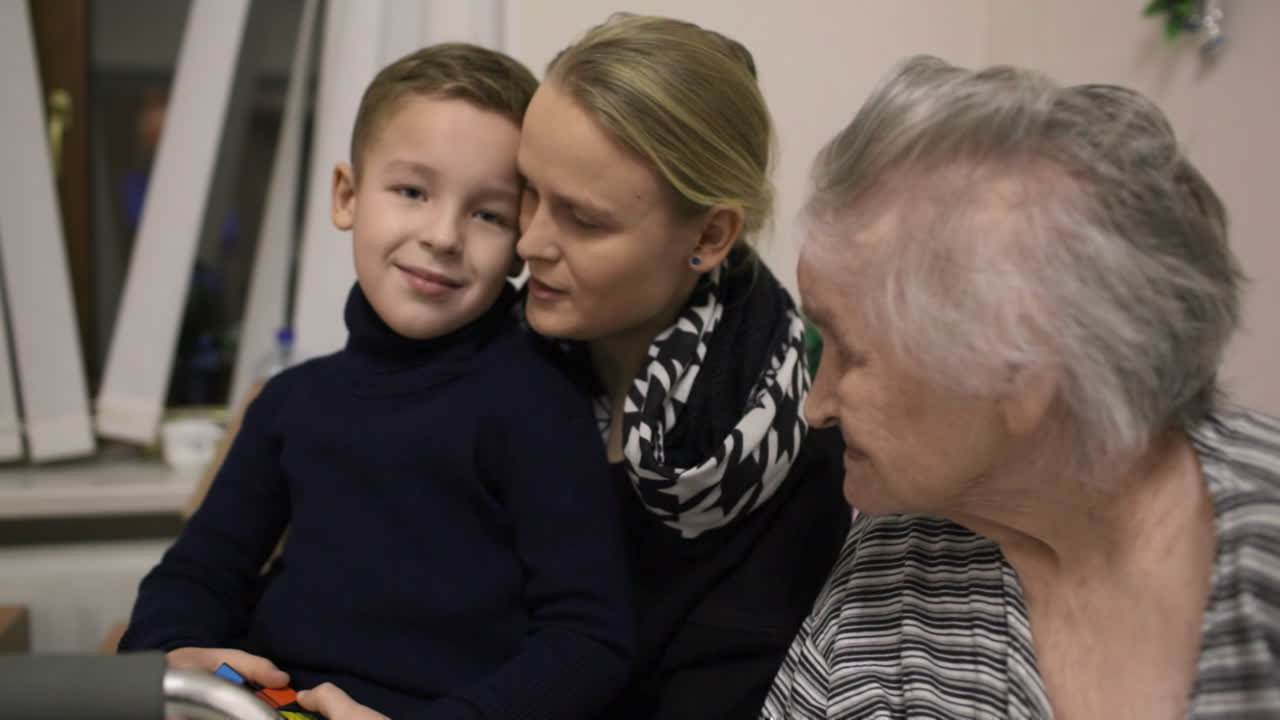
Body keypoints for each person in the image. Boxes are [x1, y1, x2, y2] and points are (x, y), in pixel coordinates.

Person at [119, 43, 633, 720]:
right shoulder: (289, 404)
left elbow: (591, 642)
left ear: (521, 241)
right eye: (412, 191)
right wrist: (174, 649)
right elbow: (198, 572)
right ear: (347, 195)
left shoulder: (539, 403)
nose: (443, 235)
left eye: (487, 214)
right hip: (273, 706)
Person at [763, 55, 1280, 719]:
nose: (815, 407)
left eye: (852, 354)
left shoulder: (1264, 543)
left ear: (1022, 370)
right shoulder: (892, 565)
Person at [514, 14, 850, 719]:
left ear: (709, 235)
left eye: (583, 218)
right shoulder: (489, 363)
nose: (529, 242)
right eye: (527, 191)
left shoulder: (795, 467)